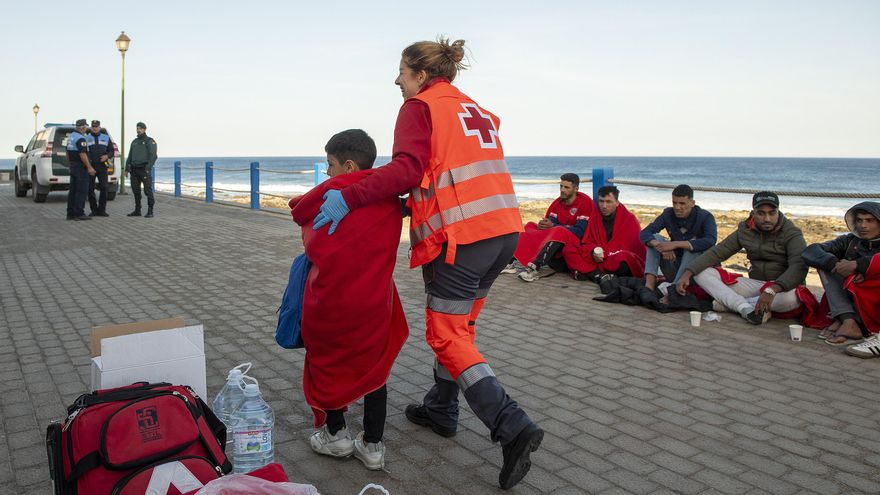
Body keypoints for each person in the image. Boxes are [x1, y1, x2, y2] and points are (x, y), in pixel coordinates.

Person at [311, 37, 543, 490]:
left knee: (446, 334)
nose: (396, 80)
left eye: (401, 71)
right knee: (462, 330)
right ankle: (441, 409)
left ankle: (512, 426)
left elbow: (408, 170)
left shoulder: (420, 107)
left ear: (420, 74)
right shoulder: (472, 109)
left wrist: (352, 194)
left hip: (462, 239)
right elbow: (448, 174)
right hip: (503, 232)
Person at [289, 129, 409, 470]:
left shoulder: (330, 195)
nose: (327, 173)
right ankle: (372, 445)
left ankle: (336, 434)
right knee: (376, 367)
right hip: (373, 302)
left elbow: (310, 237)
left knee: (327, 363)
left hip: (330, 302)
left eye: (330, 164)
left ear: (349, 165)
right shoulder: (388, 199)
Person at [676, 192, 807, 325]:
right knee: (702, 273)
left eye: (772, 213)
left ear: (778, 212)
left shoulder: (791, 233)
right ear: (753, 212)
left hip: (782, 288)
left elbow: (799, 266)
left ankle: (729, 305)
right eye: (761, 213)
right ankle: (744, 308)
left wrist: (773, 289)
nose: (767, 218)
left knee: (792, 298)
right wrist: (688, 272)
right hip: (755, 285)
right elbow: (718, 252)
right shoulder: (745, 229)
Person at [802, 201, 880, 349]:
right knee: (825, 266)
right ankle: (848, 320)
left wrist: (859, 267)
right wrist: (835, 264)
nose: (863, 225)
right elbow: (811, 251)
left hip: (874, 302)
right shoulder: (850, 241)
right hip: (853, 298)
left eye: (870, 220)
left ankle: (850, 321)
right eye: (859, 220)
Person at [513, 173, 595, 282]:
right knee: (530, 225)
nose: (562, 190)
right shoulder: (558, 203)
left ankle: (534, 267)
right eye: (561, 186)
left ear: (576, 189)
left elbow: (580, 232)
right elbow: (552, 223)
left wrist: (554, 226)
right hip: (556, 243)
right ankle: (509, 262)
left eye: (566, 187)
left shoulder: (583, 204)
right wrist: (545, 224)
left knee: (559, 230)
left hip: (573, 247)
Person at [561, 185, 646, 283]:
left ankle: (590, 273)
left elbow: (632, 247)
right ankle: (599, 275)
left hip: (613, 256)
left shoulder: (629, 219)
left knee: (624, 258)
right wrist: (593, 251)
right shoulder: (595, 216)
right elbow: (587, 241)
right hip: (596, 257)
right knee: (569, 249)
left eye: (608, 202)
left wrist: (605, 253)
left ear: (617, 203)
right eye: (601, 201)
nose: (604, 206)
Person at [639, 184, 717, 290]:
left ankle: (675, 289)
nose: (677, 207)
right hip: (673, 264)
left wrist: (674, 245)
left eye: (682, 203)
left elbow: (710, 240)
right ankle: (649, 286)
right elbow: (645, 232)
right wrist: (661, 246)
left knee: (692, 248)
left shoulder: (705, 217)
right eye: (674, 203)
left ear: (692, 203)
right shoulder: (668, 214)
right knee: (655, 238)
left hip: (695, 272)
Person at [66, 119, 96, 221]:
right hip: (80, 168)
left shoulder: (71, 137)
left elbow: (67, 153)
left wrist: (70, 164)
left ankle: (70, 213)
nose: (86, 129)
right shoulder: (81, 139)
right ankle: (79, 213)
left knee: (73, 191)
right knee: (81, 191)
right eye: (85, 127)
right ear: (82, 127)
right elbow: (82, 154)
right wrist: (89, 167)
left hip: (73, 166)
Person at [126, 122, 157, 218]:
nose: (138, 130)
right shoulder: (134, 142)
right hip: (134, 170)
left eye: (140, 128)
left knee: (147, 190)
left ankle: (150, 211)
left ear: (144, 129)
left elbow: (153, 156)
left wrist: (148, 168)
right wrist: (126, 168)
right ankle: (137, 210)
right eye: (137, 128)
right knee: (136, 191)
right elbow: (130, 155)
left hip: (144, 169)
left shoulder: (150, 141)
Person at [85, 120, 114, 217]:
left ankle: (102, 210)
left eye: (96, 126)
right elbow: (84, 152)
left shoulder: (106, 137)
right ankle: (93, 210)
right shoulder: (86, 138)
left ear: (99, 127)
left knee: (104, 188)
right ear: (91, 127)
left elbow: (111, 151)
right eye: (93, 126)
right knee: (90, 189)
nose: (95, 128)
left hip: (102, 166)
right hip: (91, 166)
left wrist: (107, 156)